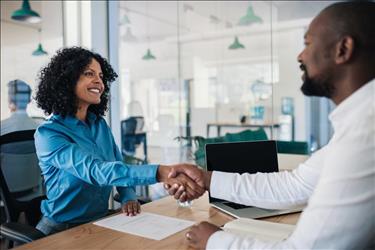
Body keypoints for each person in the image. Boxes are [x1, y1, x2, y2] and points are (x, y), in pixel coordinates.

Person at [166, 2, 375, 249]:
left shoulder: (365, 135)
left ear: (344, 49)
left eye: (307, 43)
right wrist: (206, 178)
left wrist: (215, 241)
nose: (300, 55)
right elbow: (294, 186)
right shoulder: (360, 124)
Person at [33, 47, 204, 236]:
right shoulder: (48, 134)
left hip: (99, 221)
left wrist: (127, 195)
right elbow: (96, 171)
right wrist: (160, 172)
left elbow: (116, 163)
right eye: (89, 74)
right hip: (61, 229)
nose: (99, 81)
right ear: (67, 80)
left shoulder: (99, 125)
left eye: (100, 75)